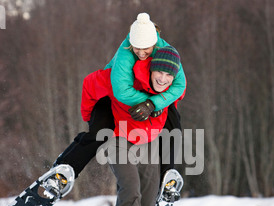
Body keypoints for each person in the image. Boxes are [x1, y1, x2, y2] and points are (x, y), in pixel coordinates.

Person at [81, 46, 185, 206]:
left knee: (148, 198)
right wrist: (92, 121)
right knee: (131, 189)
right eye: (160, 72)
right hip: (117, 138)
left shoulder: (170, 91)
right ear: (150, 69)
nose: (163, 79)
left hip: (146, 142)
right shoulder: (124, 76)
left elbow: (176, 100)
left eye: (169, 75)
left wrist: (153, 104)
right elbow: (90, 84)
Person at [52, 13, 185, 186]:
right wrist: (150, 103)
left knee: (173, 124)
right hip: (112, 98)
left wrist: (154, 103)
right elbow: (121, 91)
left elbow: (180, 84)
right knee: (100, 133)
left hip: (150, 98)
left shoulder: (166, 51)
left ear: (155, 43)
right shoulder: (126, 53)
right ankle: (64, 170)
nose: (141, 53)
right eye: (137, 48)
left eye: (146, 49)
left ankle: (167, 176)